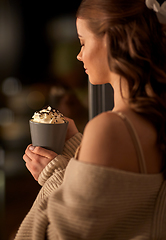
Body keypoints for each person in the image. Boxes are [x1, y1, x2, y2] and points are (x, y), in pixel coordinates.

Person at [14, 0, 166, 239]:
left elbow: (57, 235)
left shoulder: (111, 128)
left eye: (83, 41)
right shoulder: (153, 119)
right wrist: (77, 146)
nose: (79, 55)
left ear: (111, 39)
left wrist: (52, 174)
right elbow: (119, 212)